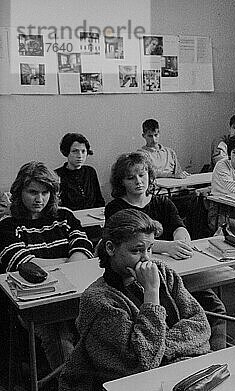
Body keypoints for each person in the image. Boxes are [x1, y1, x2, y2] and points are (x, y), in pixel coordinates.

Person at [58, 209, 211, 391]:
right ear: (110, 248)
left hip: (179, 371)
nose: (147, 258)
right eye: (136, 250)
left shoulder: (162, 272)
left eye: (149, 248)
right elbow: (143, 361)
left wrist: (161, 349)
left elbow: (200, 324)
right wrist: (151, 293)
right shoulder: (98, 300)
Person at [105, 152, 226, 350]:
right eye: (131, 178)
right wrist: (167, 246)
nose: (138, 181)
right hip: (140, 277)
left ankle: (215, 353)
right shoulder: (116, 208)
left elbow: (179, 227)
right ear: (121, 183)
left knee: (215, 307)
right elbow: (129, 244)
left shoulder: (162, 202)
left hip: (174, 271)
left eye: (142, 175)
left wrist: (181, 240)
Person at [0, 161, 93, 371]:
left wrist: (62, 264)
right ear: (19, 191)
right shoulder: (7, 225)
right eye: (32, 192)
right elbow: (28, 267)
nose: (39, 199)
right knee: (58, 335)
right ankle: (69, 383)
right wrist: (69, 263)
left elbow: (84, 247)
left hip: (76, 295)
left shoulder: (65, 216)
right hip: (36, 303)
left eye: (45, 192)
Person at [55, 132, 105, 210]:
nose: (80, 156)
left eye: (83, 151)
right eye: (75, 151)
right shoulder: (57, 175)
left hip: (94, 216)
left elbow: (99, 199)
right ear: (66, 152)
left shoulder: (90, 171)